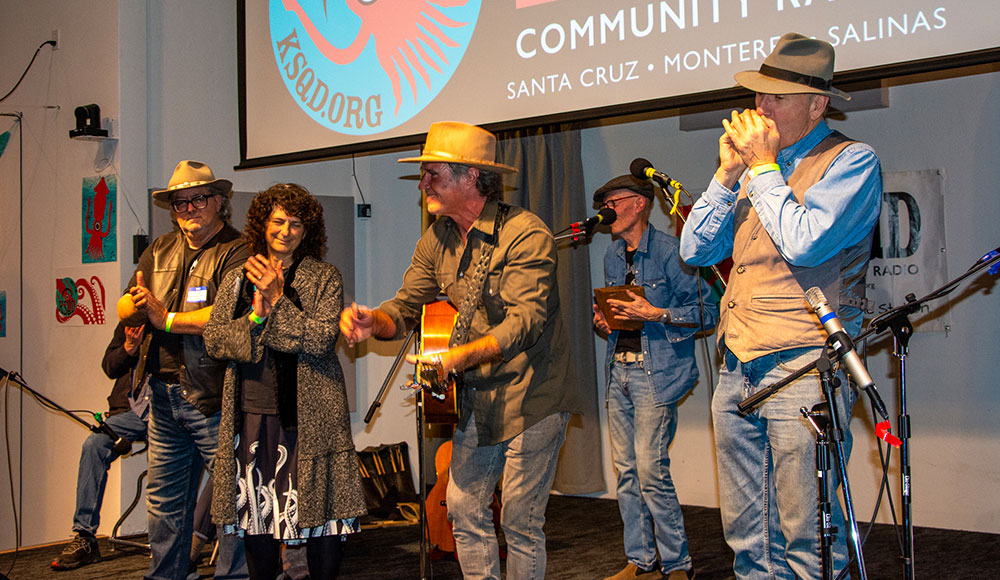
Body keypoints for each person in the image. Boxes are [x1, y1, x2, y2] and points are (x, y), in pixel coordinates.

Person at [340, 121, 582, 580]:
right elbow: (405, 308)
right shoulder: (437, 238)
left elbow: (524, 324)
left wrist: (457, 359)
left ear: (471, 177)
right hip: (480, 398)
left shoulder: (525, 233)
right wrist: (376, 321)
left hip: (536, 393)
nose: (423, 184)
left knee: (520, 520)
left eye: (433, 173)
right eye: (424, 174)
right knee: (462, 506)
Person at [679, 33, 882, 579]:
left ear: (817, 105)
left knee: (808, 528)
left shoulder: (851, 162)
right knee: (747, 531)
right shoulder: (749, 172)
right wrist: (727, 175)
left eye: (777, 98)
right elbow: (695, 250)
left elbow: (805, 242)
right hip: (737, 363)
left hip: (803, 365)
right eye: (759, 96)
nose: (760, 108)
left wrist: (764, 169)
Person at [204, 183, 367, 579]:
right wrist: (256, 318)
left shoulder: (324, 277)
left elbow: (319, 340)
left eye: (296, 224)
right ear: (263, 224)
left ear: (307, 231)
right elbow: (215, 339)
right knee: (256, 521)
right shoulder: (237, 278)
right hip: (252, 417)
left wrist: (277, 300)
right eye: (278, 221)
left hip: (311, 422)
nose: (286, 230)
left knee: (320, 522)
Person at [128, 160, 250, 580]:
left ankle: (233, 576)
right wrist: (134, 312)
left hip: (213, 393)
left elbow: (231, 314)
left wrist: (167, 320)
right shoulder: (159, 249)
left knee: (231, 499)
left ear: (219, 201)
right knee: (163, 501)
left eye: (198, 199)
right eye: (179, 202)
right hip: (162, 393)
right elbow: (134, 299)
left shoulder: (239, 250)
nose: (188, 208)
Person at [592, 176, 718, 580]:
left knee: (650, 471)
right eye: (605, 202)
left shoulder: (671, 253)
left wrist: (658, 314)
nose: (608, 208)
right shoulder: (613, 256)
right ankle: (640, 561)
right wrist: (605, 321)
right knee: (627, 472)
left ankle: (678, 564)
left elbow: (708, 313)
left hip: (656, 374)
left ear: (640, 204)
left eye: (615, 200)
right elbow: (618, 316)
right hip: (620, 370)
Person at [51, 322, 148, 570]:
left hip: (169, 409)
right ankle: (85, 536)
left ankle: (195, 534)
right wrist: (129, 347)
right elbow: (110, 367)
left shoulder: (174, 315)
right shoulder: (131, 322)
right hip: (130, 413)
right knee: (95, 444)